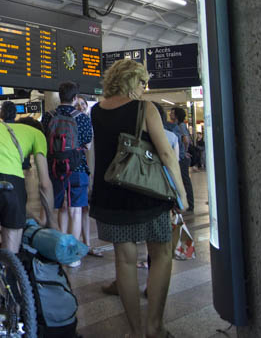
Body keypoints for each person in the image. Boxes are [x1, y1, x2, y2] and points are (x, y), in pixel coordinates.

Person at [90, 59, 187, 338]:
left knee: (125, 261)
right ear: (134, 81)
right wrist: (180, 193)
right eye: (143, 82)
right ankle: (154, 327)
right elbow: (167, 154)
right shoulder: (145, 108)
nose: (145, 87)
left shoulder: (97, 111)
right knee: (161, 253)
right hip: (146, 193)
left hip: (110, 193)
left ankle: (134, 331)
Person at [0, 102, 55, 253]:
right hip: (12, 180)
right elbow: (45, 184)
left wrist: (34, 216)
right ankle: (10, 270)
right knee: (12, 242)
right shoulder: (38, 134)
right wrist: (51, 221)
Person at [42, 81, 93, 267]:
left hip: (55, 167)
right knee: (75, 210)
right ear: (74, 98)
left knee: (61, 207)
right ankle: (72, 255)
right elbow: (87, 144)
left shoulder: (48, 116)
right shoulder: (82, 117)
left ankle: (59, 248)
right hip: (77, 167)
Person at [75, 96, 102, 258]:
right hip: (81, 170)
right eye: (77, 104)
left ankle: (86, 243)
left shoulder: (91, 125)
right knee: (79, 209)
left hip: (91, 171)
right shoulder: (78, 125)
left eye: (82, 104)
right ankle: (81, 244)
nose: (80, 107)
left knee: (84, 210)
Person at [165, 107, 194, 212]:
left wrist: (184, 151)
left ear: (176, 115)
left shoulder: (180, 126)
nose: (170, 114)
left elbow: (186, 140)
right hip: (181, 156)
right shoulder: (177, 126)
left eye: (172, 113)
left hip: (181, 157)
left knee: (184, 180)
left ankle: (189, 204)